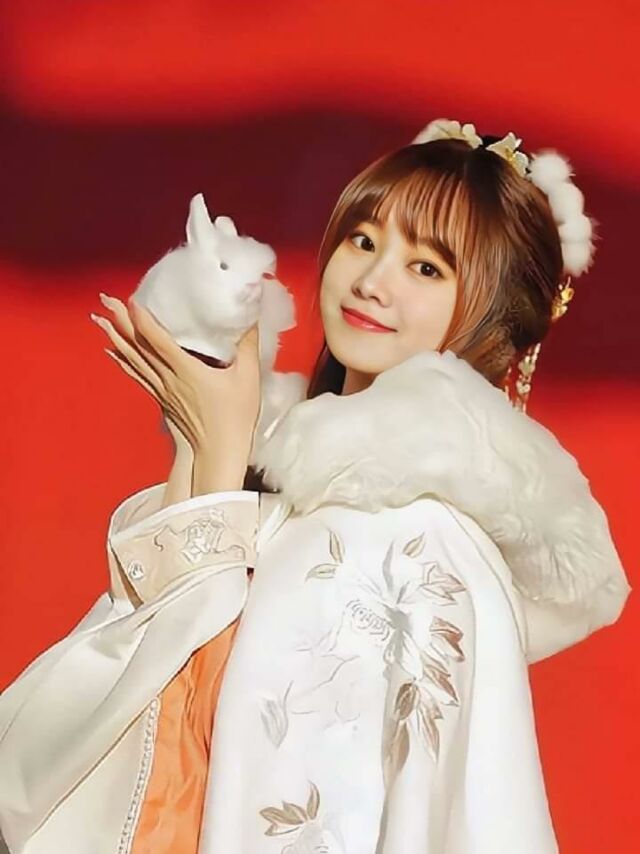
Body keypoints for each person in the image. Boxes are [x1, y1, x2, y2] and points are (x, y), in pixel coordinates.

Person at [0, 118, 631, 854]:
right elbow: (141, 745)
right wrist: (208, 456)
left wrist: (219, 453)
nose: (371, 281)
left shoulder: (406, 538)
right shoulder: (298, 497)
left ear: (494, 323)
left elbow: (216, 769)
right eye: (363, 240)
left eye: (427, 268)